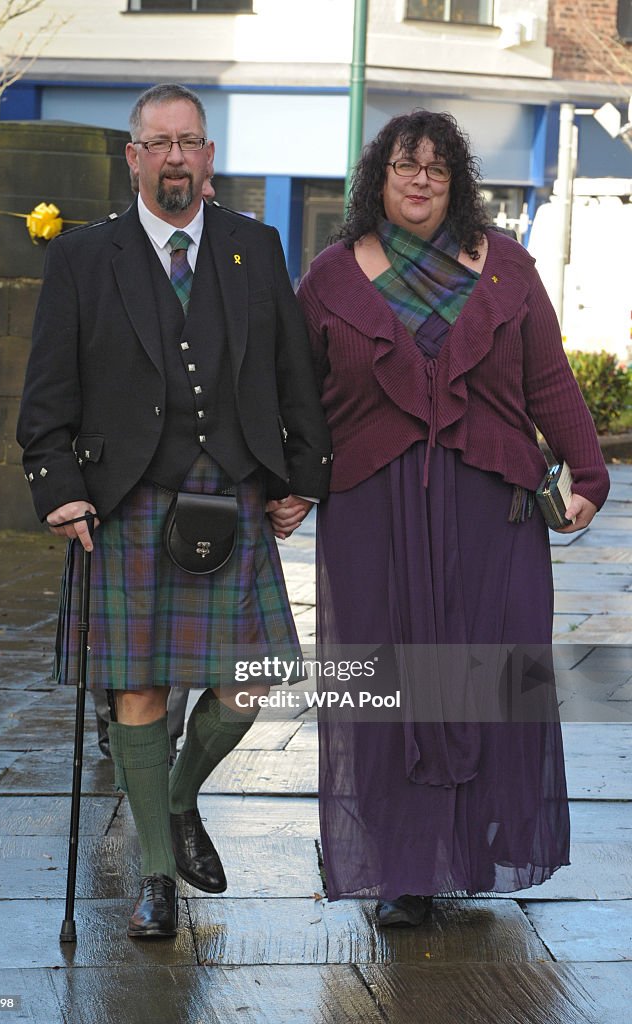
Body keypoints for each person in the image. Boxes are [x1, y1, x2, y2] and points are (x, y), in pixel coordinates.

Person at [17, 82, 331, 939]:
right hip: (127, 499)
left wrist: (303, 473)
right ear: (134, 158)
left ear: (210, 157)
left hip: (233, 491)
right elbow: (48, 391)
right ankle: (157, 872)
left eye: (189, 141)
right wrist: (57, 484)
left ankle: (178, 796)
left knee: (251, 679)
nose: (175, 158)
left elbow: (291, 370)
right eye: (158, 144)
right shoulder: (86, 257)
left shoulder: (253, 246)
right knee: (142, 689)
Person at [297, 110, 609, 927]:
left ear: (458, 180)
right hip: (370, 512)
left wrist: (591, 470)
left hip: (490, 512)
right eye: (406, 165)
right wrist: (284, 482)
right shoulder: (329, 278)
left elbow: (549, 381)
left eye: (437, 167)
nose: (422, 179)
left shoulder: (507, 270)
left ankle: (474, 849)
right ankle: (403, 870)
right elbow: (294, 396)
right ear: (379, 177)